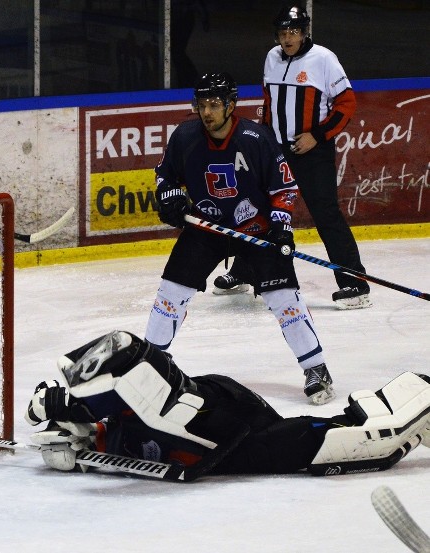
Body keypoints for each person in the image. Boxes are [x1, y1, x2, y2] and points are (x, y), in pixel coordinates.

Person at [150, 72, 334, 405]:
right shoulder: (184, 136)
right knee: (171, 293)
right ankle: (150, 366)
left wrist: (280, 226)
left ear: (231, 105)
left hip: (257, 229)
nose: (207, 112)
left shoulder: (255, 138)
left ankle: (315, 367)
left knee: (283, 298)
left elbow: (284, 187)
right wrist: (171, 197)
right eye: (202, 104)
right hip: (206, 229)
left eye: (215, 104)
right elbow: (165, 175)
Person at [24, 330, 430, 479]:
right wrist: (81, 450)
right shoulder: (120, 432)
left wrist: (77, 428)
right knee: (314, 437)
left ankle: (414, 413)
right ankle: (414, 418)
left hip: (219, 422)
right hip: (223, 409)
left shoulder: (130, 419)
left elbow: (132, 362)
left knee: (340, 445)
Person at [213, 5, 370, 310]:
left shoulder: (324, 59)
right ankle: (244, 272)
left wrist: (319, 136)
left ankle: (355, 283)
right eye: (283, 32)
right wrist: (260, 142)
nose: (287, 38)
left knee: (326, 215)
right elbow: (270, 104)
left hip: (313, 152)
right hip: (274, 150)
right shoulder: (272, 57)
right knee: (254, 209)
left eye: (294, 32)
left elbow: (347, 104)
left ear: (304, 32)